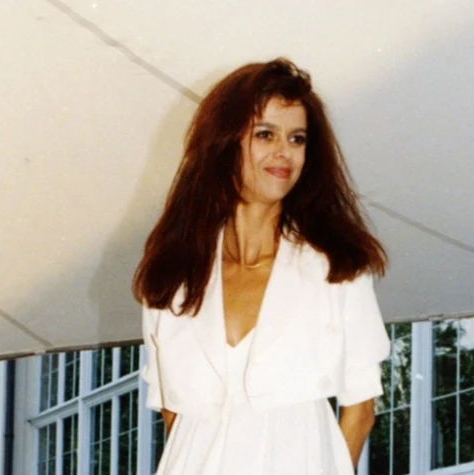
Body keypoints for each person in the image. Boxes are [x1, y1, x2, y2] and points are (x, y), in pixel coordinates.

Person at [133, 58, 391, 475]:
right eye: (265, 134)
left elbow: (360, 411)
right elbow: (173, 413)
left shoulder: (337, 268)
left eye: (297, 138)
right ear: (224, 142)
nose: (283, 152)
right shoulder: (172, 278)